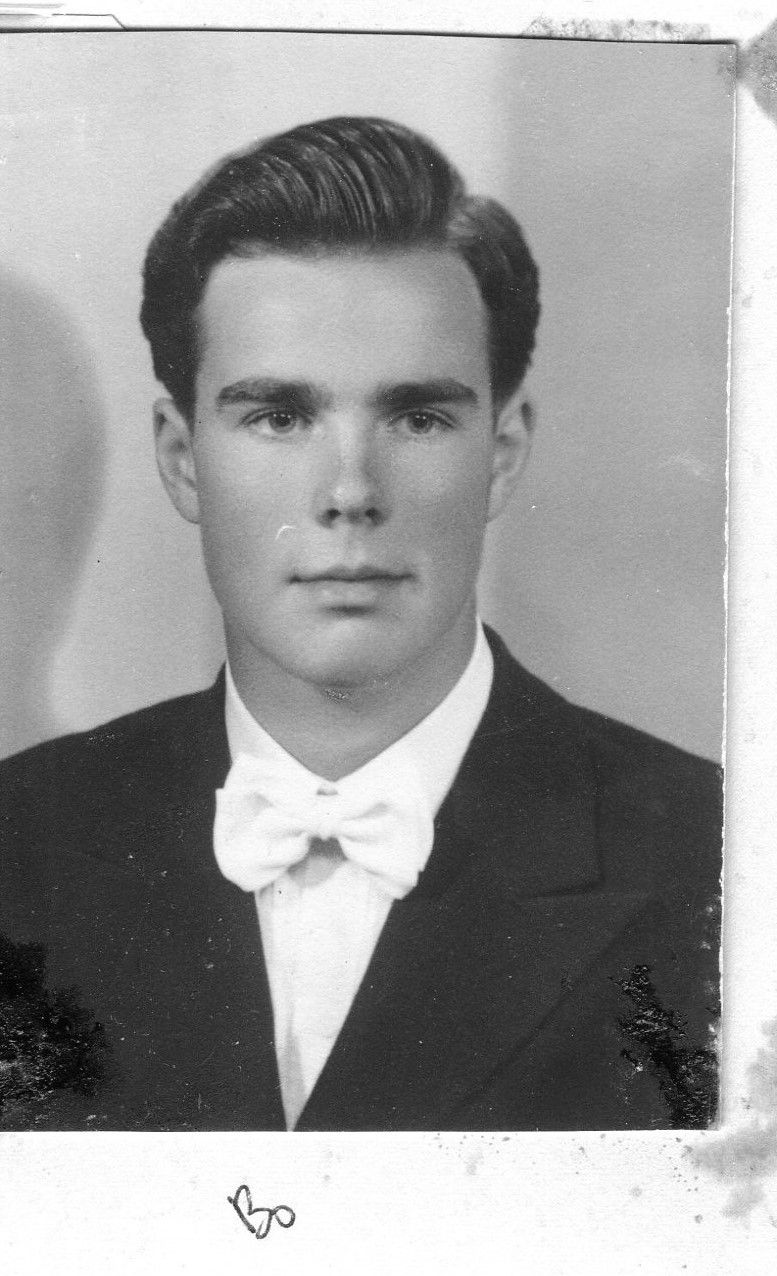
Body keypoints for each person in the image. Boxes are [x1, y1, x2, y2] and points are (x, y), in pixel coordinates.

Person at [0, 116, 721, 1132]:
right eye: (279, 417)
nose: (349, 491)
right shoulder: (18, 844)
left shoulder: (723, 861)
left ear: (502, 453)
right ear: (181, 457)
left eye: (417, 418)